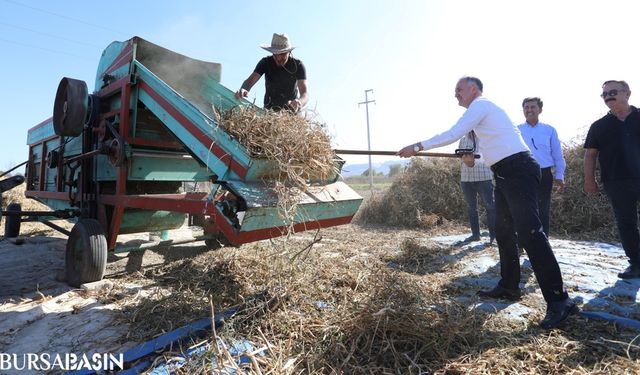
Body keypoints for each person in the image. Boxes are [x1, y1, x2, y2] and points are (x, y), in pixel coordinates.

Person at [398, 76, 577, 329]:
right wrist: (474, 161)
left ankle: (560, 301)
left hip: (518, 169)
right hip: (505, 171)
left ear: (473, 89)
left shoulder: (481, 105)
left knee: (530, 235)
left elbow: (453, 133)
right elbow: (495, 153)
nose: (455, 95)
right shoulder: (486, 117)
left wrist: (417, 146)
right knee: (503, 232)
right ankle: (509, 286)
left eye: (458, 90)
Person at [584, 80, 640, 279]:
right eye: (604, 94)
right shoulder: (599, 126)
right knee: (626, 223)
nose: (608, 96)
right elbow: (590, 155)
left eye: (613, 92)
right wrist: (590, 180)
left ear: (627, 93)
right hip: (616, 181)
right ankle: (636, 263)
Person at [518, 97, 566, 237]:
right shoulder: (517, 130)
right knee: (523, 209)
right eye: (526, 107)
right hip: (523, 174)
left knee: (542, 209)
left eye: (532, 107)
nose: (529, 110)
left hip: (544, 174)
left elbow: (557, 154)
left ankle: (543, 243)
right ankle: (522, 243)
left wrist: (559, 175)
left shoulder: (549, 130)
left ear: (540, 110)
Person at [235, 33, 308, 112]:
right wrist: (244, 89)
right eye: (276, 54)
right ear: (272, 52)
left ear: (289, 52)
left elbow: (305, 93)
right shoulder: (265, 63)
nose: (279, 58)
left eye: (283, 53)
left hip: (290, 115)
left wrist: (299, 102)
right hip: (269, 113)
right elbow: (250, 80)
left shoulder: (298, 65)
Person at [457, 132, 496, 244]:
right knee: (471, 208)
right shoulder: (462, 140)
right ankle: (475, 235)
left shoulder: (485, 138)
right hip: (466, 178)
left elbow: (488, 158)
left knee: (490, 207)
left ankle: (494, 237)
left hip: (484, 177)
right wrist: (467, 160)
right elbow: (461, 158)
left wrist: (472, 162)